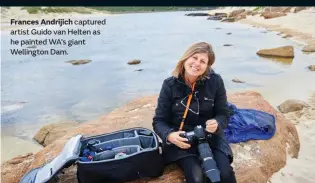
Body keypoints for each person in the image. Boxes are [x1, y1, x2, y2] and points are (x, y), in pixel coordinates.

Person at [152, 42, 237, 183]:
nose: (197, 64)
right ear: (186, 58)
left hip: (210, 136)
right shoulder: (169, 84)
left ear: (207, 66)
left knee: (225, 174)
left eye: (203, 61)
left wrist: (217, 123)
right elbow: (159, 121)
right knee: (197, 178)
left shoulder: (215, 81)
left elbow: (223, 113)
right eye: (194, 57)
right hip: (183, 140)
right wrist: (170, 136)